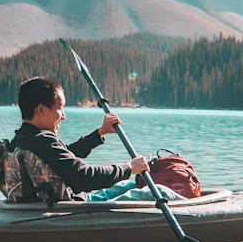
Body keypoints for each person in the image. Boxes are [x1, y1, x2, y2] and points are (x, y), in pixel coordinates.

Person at [10, 77, 182, 202]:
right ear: (41, 110)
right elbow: (84, 176)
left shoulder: (23, 138)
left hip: (66, 201)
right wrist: (129, 168)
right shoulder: (43, 140)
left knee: (132, 187)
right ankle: (193, 209)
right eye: (60, 108)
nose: (63, 116)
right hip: (77, 207)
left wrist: (100, 133)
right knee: (159, 192)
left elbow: (65, 157)